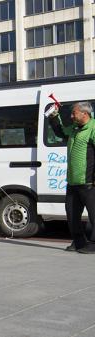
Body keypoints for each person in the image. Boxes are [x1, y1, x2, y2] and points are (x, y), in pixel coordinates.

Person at [47, 102, 95, 253]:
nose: (71, 116)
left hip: (89, 180)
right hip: (73, 180)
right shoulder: (74, 129)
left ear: (84, 114)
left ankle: (94, 243)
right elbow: (61, 131)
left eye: (74, 113)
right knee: (72, 213)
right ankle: (79, 241)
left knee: (94, 214)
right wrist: (54, 116)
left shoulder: (93, 128)